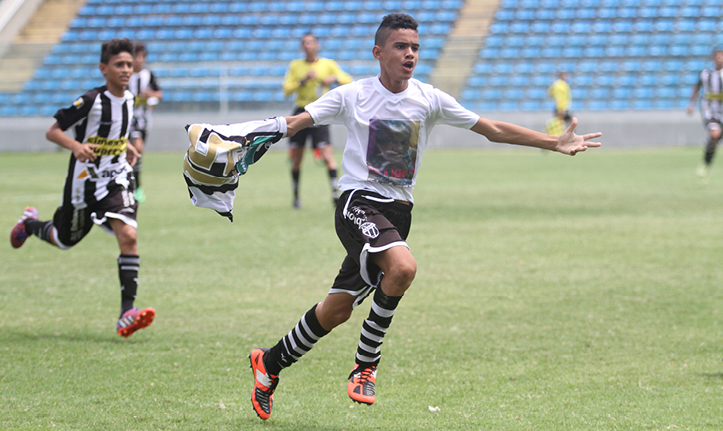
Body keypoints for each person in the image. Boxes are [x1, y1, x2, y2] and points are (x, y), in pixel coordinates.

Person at [240, 14, 601, 420]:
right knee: (404, 267)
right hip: (357, 202)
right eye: (400, 46)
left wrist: (554, 142)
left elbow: (492, 128)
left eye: (414, 47)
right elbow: (296, 121)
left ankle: (268, 363)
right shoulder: (352, 96)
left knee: (336, 310)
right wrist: (243, 135)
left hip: (397, 213)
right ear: (378, 53)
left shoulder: (428, 98)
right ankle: (366, 365)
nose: (409, 53)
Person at [9, 38, 155, 338]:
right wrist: (75, 146)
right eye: (119, 65)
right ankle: (30, 224)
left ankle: (127, 312)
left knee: (128, 234)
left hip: (115, 178)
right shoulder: (91, 100)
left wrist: (125, 146)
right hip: (83, 183)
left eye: (129, 64)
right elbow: (53, 131)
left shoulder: (129, 99)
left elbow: (117, 130)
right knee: (65, 240)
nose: (126, 70)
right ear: (104, 69)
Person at [283, 33, 353, 208]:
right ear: (302, 47)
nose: (308, 46)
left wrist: (334, 79)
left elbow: (348, 80)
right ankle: (296, 196)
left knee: (327, 154)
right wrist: (302, 81)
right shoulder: (296, 66)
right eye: (304, 43)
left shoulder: (328, 64)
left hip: (320, 112)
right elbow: (286, 89)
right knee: (297, 157)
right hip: (301, 111)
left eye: (311, 42)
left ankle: (335, 193)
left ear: (317, 45)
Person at [129, 42, 163, 202]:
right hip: (128, 119)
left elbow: (159, 94)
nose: (139, 60)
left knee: (135, 153)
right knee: (136, 147)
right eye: (136, 56)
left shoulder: (148, 75)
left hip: (144, 120)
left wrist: (151, 95)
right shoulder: (125, 74)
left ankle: (134, 185)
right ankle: (136, 188)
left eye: (142, 57)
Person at [687, 48, 723, 181]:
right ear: (713, 59)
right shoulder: (705, 74)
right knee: (715, 134)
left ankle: (709, 151)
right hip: (711, 111)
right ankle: (705, 163)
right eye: (718, 57)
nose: (720, 59)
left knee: (716, 139)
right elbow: (696, 87)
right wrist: (691, 104)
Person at [546, 71, 572, 136]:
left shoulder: (562, 84)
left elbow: (550, 93)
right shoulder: (559, 85)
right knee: (561, 122)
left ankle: (560, 136)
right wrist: (560, 108)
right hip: (561, 107)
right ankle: (558, 136)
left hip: (564, 107)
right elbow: (558, 97)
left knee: (565, 122)